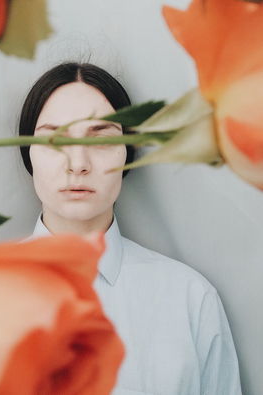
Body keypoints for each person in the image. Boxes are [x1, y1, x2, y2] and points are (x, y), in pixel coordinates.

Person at [19, 62, 242, 395]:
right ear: (28, 154)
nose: (78, 163)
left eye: (100, 140)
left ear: (128, 154)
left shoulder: (189, 300)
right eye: (54, 140)